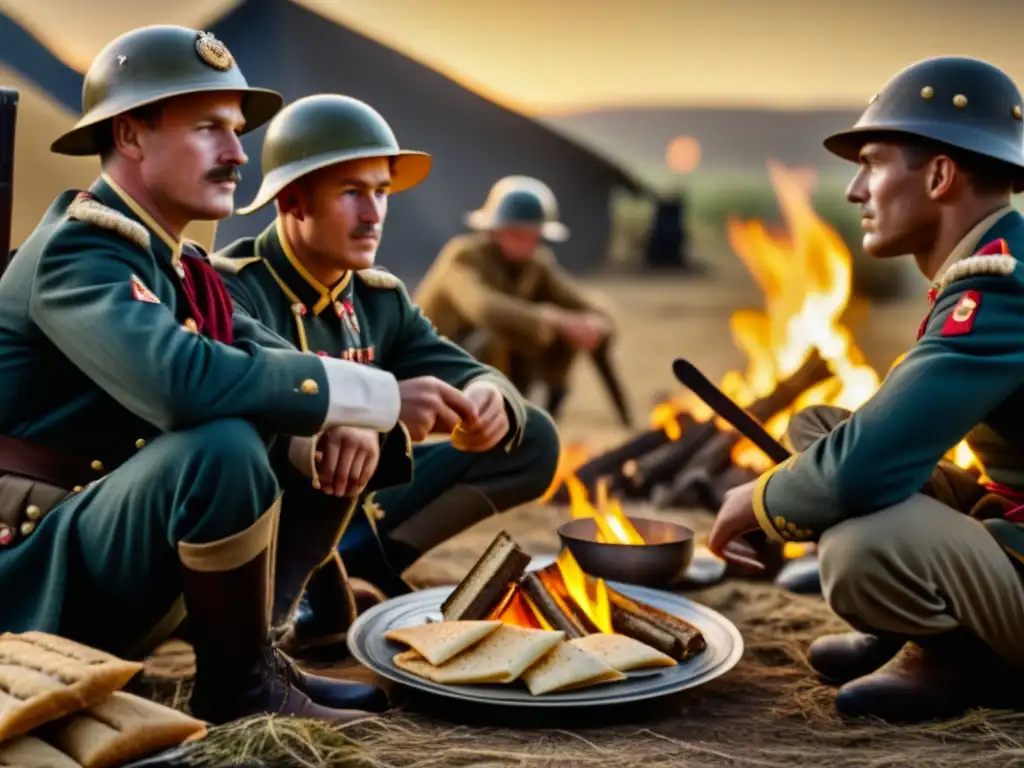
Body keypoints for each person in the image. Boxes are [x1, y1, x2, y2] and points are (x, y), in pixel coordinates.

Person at [0, 25, 458, 726]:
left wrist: (352, 413)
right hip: (33, 584)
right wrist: (377, 392)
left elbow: (274, 360)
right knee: (220, 444)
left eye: (237, 131)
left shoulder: (179, 269)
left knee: (312, 417)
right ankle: (238, 696)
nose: (238, 153)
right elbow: (181, 383)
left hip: (106, 552)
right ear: (130, 136)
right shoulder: (79, 253)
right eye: (209, 128)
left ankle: (254, 655)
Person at [707, 55, 1024, 722]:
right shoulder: (991, 262)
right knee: (819, 430)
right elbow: (885, 431)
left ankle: (952, 657)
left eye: (874, 163)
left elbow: (871, 462)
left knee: (860, 547)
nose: (855, 190)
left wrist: (759, 502)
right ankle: (911, 624)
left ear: (939, 175)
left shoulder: (1000, 285)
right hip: (1011, 512)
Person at [211, 94, 561, 659]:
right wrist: (370, 411)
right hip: (267, 516)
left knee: (534, 437)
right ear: (293, 199)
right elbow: (243, 415)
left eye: (381, 191)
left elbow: (463, 368)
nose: (373, 213)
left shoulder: (379, 299)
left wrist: (487, 396)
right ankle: (295, 591)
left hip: (359, 494)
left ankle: (370, 559)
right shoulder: (232, 287)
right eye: (351, 192)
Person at [413, 176, 618, 422]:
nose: (526, 242)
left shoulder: (536, 264)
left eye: (532, 234)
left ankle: (546, 409)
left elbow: (579, 303)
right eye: (516, 233)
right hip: (437, 365)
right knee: (501, 333)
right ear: (494, 230)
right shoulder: (463, 257)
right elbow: (485, 309)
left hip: (493, 368)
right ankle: (491, 412)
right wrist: (553, 319)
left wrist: (593, 324)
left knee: (564, 329)